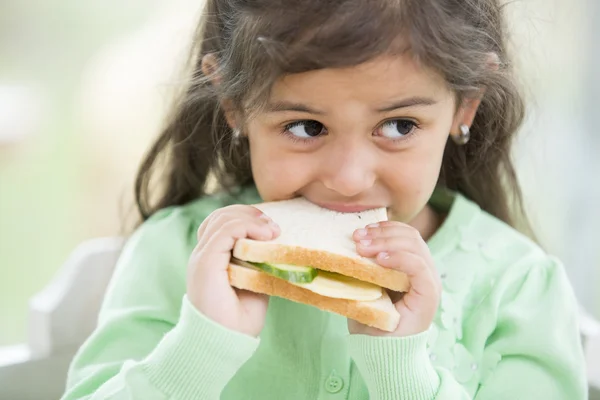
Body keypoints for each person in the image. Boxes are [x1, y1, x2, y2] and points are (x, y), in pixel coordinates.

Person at [61, 0, 587, 398]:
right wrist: (203, 343)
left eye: (399, 125)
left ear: (464, 108)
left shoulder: (519, 286)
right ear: (234, 105)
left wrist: (399, 365)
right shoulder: (175, 253)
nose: (349, 178)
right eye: (306, 126)